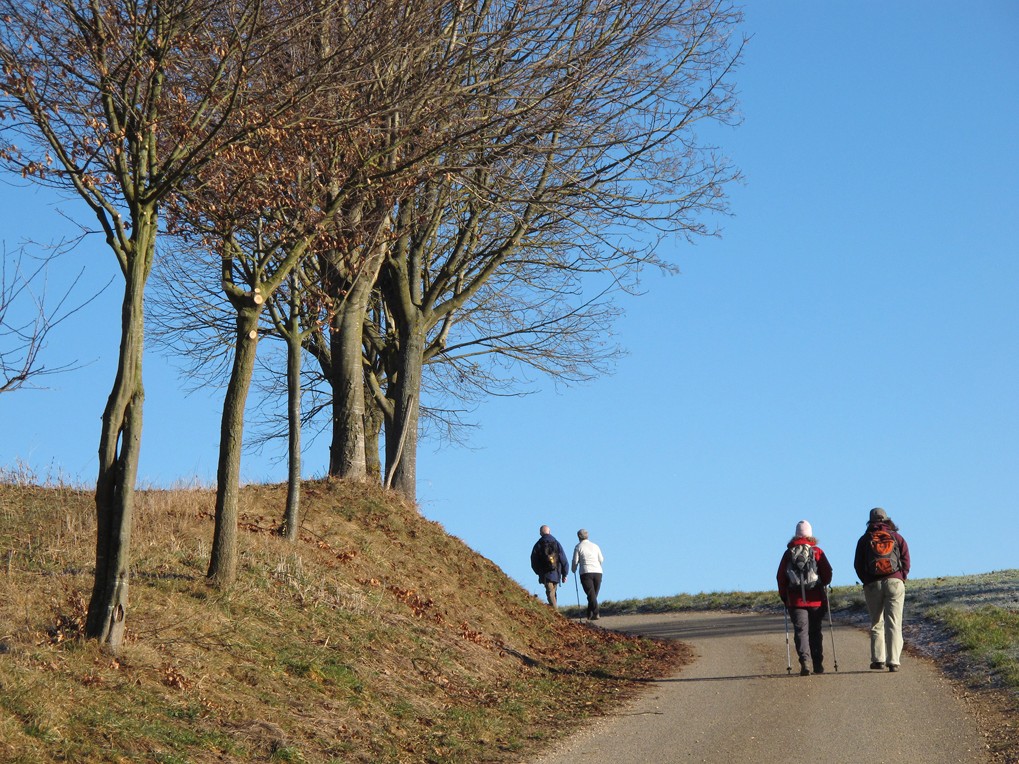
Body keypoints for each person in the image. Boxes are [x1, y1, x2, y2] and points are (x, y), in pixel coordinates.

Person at [854, 507, 911, 672]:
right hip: (895, 581)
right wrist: (901, 577)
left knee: (876, 622)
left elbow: (858, 564)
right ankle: (893, 661)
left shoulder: (864, 539)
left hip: (873, 584)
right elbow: (906, 560)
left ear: (870, 521)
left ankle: (878, 659)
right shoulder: (897, 537)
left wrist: (867, 580)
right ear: (887, 519)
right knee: (894, 622)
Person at [777, 520, 833, 676]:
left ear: (796, 535)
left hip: (795, 601)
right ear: (810, 534)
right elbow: (827, 574)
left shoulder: (788, 553)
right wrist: (822, 583)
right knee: (815, 631)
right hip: (816, 599)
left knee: (801, 631)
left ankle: (805, 662)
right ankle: (818, 664)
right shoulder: (817, 551)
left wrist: (784, 596)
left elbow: (780, 577)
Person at [530, 525, 568, 608]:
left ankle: (556, 613)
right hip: (556, 572)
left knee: (550, 593)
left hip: (545, 573)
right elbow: (563, 559)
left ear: (540, 533)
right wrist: (565, 574)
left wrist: (538, 572)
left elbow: (533, 560)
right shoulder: (556, 542)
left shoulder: (538, 544)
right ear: (549, 532)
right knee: (553, 593)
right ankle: (556, 614)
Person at [571, 529, 604, 620]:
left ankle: (596, 612)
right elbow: (601, 559)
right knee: (594, 593)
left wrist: (573, 569)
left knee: (591, 593)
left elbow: (575, 561)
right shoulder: (595, 546)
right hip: (598, 571)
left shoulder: (578, 547)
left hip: (585, 572)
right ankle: (589, 613)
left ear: (578, 537)